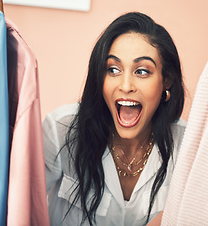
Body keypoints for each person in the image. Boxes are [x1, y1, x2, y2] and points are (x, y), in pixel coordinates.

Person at [43, 12, 186, 226]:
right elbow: (19, 208)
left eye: (142, 71)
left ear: (166, 80)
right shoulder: (60, 129)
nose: (126, 85)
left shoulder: (187, 145)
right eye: (113, 69)